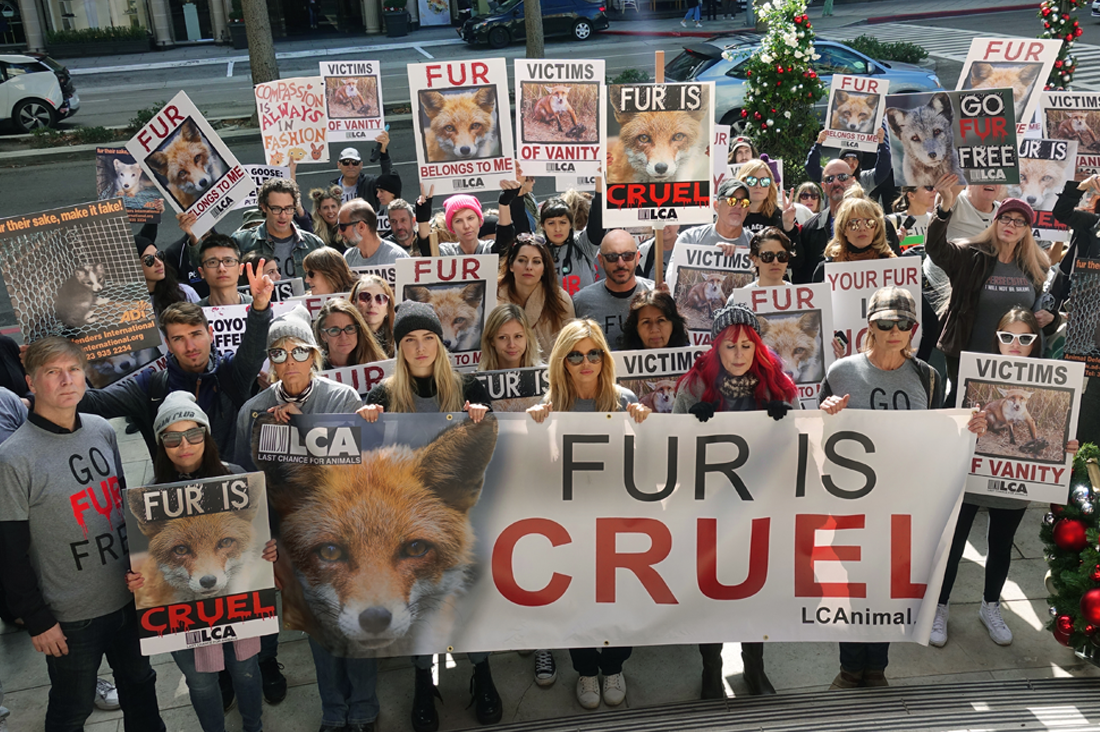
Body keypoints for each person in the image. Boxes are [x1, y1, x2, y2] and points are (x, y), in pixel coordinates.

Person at [819, 286, 986, 687]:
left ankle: (876, 668)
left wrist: (970, 429)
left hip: (903, 504)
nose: (895, 330)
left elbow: (938, 434)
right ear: (870, 327)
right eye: (885, 323)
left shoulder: (928, 377)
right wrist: (825, 414)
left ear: (914, 329)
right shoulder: (841, 372)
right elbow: (815, 438)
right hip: (853, 503)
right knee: (854, 588)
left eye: (904, 323)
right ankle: (849, 667)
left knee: (890, 589)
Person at [0, 337, 166, 732]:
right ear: (31, 382)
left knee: (141, 688)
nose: (66, 380)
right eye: (52, 373)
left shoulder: (100, 430)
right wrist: (37, 619)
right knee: (72, 708)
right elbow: (8, 550)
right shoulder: (13, 457)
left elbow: (125, 511)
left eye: (73, 370)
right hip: (71, 616)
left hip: (128, 597)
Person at [358, 302, 501, 732]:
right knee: (420, 600)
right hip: (406, 521)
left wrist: (484, 419)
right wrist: (366, 422)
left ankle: (481, 669)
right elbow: (364, 462)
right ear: (399, 348)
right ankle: (424, 677)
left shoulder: (468, 387)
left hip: (464, 512)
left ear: (440, 343)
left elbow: (497, 448)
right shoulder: (383, 394)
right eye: (409, 341)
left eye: (427, 339)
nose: (420, 349)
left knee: (471, 596)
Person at [233, 307, 377, 732]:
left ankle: (365, 707)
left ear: (315, 354)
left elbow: (364, 473)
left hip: (350, 537)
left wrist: (307, 429)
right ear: (269, 361)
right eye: (278, 353)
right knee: (318, 629)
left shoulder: (343, 399)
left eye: (298, 350)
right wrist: (270, 552)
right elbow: (248, 490)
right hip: (296, 544)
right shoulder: (253, 412)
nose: (289, 360)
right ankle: (334, 710)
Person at [125, 392, 278, 732]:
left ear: (206, 436)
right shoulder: (152, 497)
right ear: (161, 443)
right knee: (201, 682)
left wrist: (269, 551)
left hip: (240, 601)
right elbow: (139, 555)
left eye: (194, 434)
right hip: (180, 614)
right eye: (172, 437)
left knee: (246, 669)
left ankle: (253, 726)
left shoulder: (237, 479)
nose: (184, 445)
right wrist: (137, 577)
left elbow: (259, 534)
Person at [931, 306, 1079, 650]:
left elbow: (1037, 426)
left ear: (1035, 341)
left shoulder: (1047, 378)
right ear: (996, 337)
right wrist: (965, 425)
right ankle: (939, 607)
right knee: (953, 546)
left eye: (1025, 338)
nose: (1015, 344)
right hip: (969, 478)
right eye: (1007, 336)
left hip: (1015, 483)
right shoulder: (973, 373)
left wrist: (1067, 444)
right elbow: (947, 424)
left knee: (1000, 545)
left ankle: (991, 606)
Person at [672, 304, 796, 700]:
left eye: (746, 345)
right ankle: (711, 665)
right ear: (716, 348)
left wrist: (784, 419)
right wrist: (692, 423)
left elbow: (803, 442)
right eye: (730, 347)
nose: (739, 355)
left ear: (757, 346)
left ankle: (754, 664)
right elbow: (670, 448)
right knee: (709, 588)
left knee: (754, 588)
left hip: (758, 507)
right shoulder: (693, 386)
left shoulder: (776, 382)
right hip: (709, 507)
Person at [527, 320, 650, 710]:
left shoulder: (623, 399)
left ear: (603, 357)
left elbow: (648, 464)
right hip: (571, 524)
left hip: (618, 521)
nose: (585, 363)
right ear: (562, 361)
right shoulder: (549, 407)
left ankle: (613, 665)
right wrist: (534, 430)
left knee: (622, 596)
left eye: (593, 353)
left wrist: (644, 425)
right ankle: (585, 669)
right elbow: (534, 470)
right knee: (577, 600)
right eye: (575, 355)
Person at [80, 269, 275, 460]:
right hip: (176, 488)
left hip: (233, 483)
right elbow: (95, 404)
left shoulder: (231, 372)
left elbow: (254, 350)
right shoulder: (151, 386)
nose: (190, 346)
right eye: (179, 338)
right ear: (169, 345)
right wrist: (64, 368)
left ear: (210, 334)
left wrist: (259, 307)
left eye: (196, 335)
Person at [926, 185, 1053, 405]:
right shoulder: (970, 255)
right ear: (995, 221)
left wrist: (1052, 318)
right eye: (1005, 218)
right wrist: (945, 207)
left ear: (1026, 230)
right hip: (970, 358)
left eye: (1019, 221)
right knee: (965, 415)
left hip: (1014, 362)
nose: (1011, 225)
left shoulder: (1035, 266)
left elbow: (1038, 310)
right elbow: (935, 249)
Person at [1052, 174, 1100, 445]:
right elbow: (1062, 212)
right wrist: (1080, 187)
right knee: (1084, 392)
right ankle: (1080, 454)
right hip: (1086, 316)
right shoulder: (1092, 222)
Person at [572, 230, 655, 350]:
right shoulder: (582, 301)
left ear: (637, 257)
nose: (621, 263)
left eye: (627, 256)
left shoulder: (655, 294)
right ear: (601, 260)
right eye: (612, 257)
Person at [497, 233, 575, 357]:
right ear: (511, 265)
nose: (529, 267)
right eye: (522, 260)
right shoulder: (493, 295)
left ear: (544, 268)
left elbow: (571, 345)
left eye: (536, 262)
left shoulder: (561, 299)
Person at [233, 178, 325, 280]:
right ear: (263, 207)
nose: (283, 215)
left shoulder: (314, 244)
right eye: (276, 209)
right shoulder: (241, 242)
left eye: (289, 208)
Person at [794, 158, 862, 283]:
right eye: (829, 179)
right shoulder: (810, 229)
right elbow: (802, 277)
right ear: (823, 187)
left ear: (853, 181)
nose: (836, 182)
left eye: (842, 177)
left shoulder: (877, 223)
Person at [532, 188, 606, 297]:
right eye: (551, 223)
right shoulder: (537, 250)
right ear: (543, 225)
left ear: (570, 224)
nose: (557, 229)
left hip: (583, 312)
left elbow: (597, 221)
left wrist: (600, 186)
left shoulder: (582, 244)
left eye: (563, 222)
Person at [812, 194, 895, 282]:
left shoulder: (893, 265)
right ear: (843, 229)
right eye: (854, 223)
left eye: (869, 222)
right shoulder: (826, 269)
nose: (862, 228)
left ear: (876, 227)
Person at [805, 128, 892, 194]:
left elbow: (884, 168)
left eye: (854, 159)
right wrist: (818, 143)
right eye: (847, 159)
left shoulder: (865, 178)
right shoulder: (830, 177)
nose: (851, 163)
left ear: (858, 163)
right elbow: (811, 167)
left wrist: (881, 144)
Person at [677, 179, 753, 254]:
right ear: (716, 206)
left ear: (747, 209)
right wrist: (713, 254)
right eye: (731, 201)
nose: (738, 206)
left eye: (744, 202)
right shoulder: (691, 239)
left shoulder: (756, 245)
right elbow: (676, 266)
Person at [737, 159, 800, 242]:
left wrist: (789, 227)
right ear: (742, 182)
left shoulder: (781, 216)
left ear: (770, 186)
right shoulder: (731, 213)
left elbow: (797, 252)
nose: (758, 186)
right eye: (751, 180)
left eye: (764, 181)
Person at [314, 298, 386, 369]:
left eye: (349, 328)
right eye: (334, 330)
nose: (343, 337)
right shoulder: (312, 368)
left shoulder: (378, 364)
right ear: (322, 335)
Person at [140, 237, 199, 318]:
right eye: (149, 260)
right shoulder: (123, 304)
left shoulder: (185, 293)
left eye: (159, 255)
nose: (159, 263)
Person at [340, 199, 410, 267]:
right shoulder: (349, 257)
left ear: (361, 226)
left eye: (342, 227)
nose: (339, 232)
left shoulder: (397, 257)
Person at [478, 303, 543, 370]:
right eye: (503, 337)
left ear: (527, 337)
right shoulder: (477, 379)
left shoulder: (545, 377)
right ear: (492, 340)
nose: (512, 345)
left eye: (518, 336)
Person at [332, 139, 393, 210]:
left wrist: (384, 154)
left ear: (361, 165)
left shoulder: (370, 184)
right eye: (346, 162)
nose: (351, 166)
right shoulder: (331, 189)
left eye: (355, 162)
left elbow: (389, 181)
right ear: (339, 165)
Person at [620, 289, 689, 349]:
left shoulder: (693, 358)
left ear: (673, 324)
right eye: (646, 322)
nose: (654, 330)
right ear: (636, 328)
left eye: (661, 320)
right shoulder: (616, 360)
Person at [196, 235, 252, 307]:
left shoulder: (260, 307)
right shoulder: (193, 315)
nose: (221, 268)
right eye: (213, 262)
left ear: (240, 269)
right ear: (202, 272)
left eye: (228, 261)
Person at [350, 275, 396, 358]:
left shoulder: (399, 342)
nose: (372, 304)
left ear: (388, 309)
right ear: (354, 304)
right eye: (365, 297)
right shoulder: (344, 341)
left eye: (380, 298)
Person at [888, 185, 935, 251]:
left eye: (933, 186)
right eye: (928, 187)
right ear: (911, 195)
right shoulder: (892, 220)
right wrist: (894, 242)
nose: (934, 190)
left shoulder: (935, 219)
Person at [310, 185, 345, 250]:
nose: (330, 211)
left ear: (339, 207)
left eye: (333, 206)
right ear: (319, 211)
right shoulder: (314, 230)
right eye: (325, 208)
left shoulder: (348, 227)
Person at [375, 172, 402, 239]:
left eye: (382, 191)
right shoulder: (377, 217)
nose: (378, 195)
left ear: (393, 193)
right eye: (377, 191)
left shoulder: (412, 213)